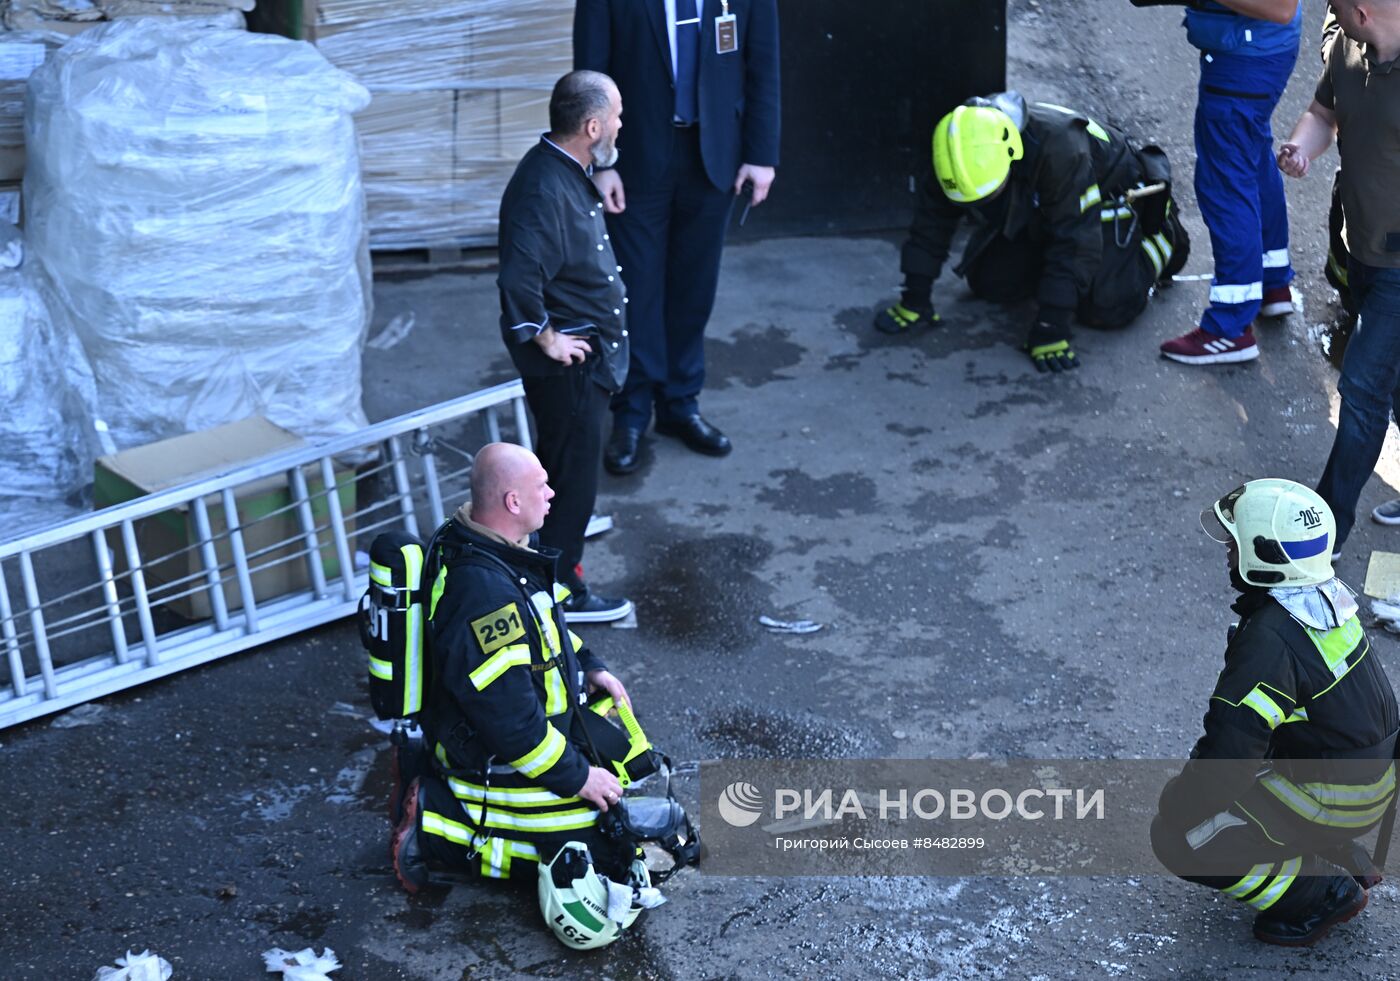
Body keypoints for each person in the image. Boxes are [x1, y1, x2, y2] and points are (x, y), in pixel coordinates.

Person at [1151, 479, 1397, 947]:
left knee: (1177, 837)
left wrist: (1179, 803)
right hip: (1373, 781)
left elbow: (1227, 757)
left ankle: (1316, 893)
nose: (1227, 551)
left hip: (1336, 796)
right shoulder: (1324, 599)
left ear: (1262, 557)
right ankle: (1327, 848)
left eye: (1235, 543)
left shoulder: (1269, 641)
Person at [390, 443, 636, 890]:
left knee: (622, 781)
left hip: (524, 732)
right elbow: (511, 725)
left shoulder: (505, 547)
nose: (552, 494)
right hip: (491, 754)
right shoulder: (484, 596)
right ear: (513, 502)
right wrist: (578, 776)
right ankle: (437, 826)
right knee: (607, 853)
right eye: (541, 486)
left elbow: (549, 627)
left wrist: (591, 666)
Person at [573, 0, 781, 476]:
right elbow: (590, 76)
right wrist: (601, 162)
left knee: (694, 288)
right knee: (636, 290)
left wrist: (761, 153)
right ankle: (631, 411)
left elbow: (763, 65)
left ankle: (680, 404)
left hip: (714, 157)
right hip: (636, 158)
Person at [871, 91, 1189, 373]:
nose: (982, 206)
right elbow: (932, 223)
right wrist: (914, 298)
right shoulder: (955, 150)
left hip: (1107, 196)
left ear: (1012, 154)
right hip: (1041, 199)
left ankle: (1161, 240)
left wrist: (1052, 324)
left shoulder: (1063, 150)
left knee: (1107, 307)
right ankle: (1062, 278)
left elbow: (1075, 240)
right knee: (990, 283)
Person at [496, 70, 632, 622]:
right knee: (570, 480)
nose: (622, 124)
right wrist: (546, 336)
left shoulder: (570, 169)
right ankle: (560, 590)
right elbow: (518, 279)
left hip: (589, 356)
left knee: (564, 470)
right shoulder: (543, 188)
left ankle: (553, 564)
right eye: (617, 115)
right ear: (593, 125)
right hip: (572, 367)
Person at [1279, 0, 1400, 550]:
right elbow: (1323, 113)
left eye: (1333, 5)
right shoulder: (1349, 47)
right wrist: (1302, 149)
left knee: (1362, 388)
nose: (1325, 11)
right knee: (1393, 386)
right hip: (1360, 251)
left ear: (1363, 10)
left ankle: (1322, 534)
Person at [1134, 0, 1302, 366]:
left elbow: (1280, 6)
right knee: (1251, 158)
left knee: (1225, 183)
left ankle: (1229, 329)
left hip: (1246, 57)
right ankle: (1271, 282)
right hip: (1253, 49)